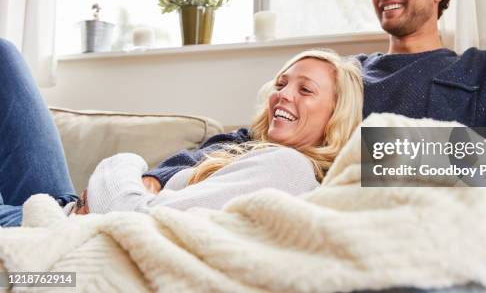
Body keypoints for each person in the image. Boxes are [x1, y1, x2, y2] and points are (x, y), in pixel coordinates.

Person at [0, 40, 363, 226]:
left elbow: (133, 217)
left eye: (305, 90)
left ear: (335, 118)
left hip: (64, 231)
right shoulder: (258, 151)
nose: (282, 94)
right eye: (282, 83)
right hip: (64, 211)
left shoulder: (288, 167)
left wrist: (126, 163)